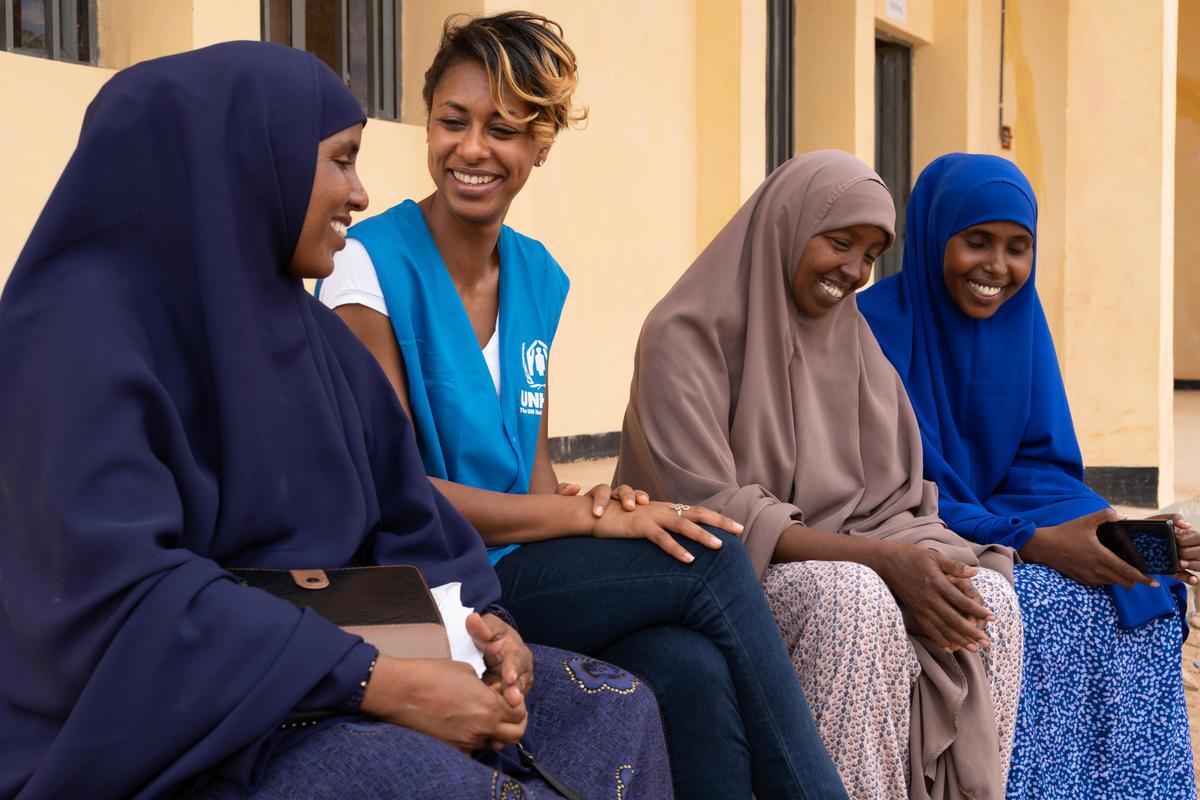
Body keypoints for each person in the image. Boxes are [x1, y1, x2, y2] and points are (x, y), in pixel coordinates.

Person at [0, 41, 673, 800]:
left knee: (613, 712)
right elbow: (126, 595)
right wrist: (380, 684)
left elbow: (412, 516)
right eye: (341, 160)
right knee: (421, 782)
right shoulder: (74, 339)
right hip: (192, 712)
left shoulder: (306, 335)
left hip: (350, 660)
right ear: (249, 164)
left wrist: (487, 627)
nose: (359, 193)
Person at [319, 12, 847, 799]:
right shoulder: (367, 267)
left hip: (513, 568)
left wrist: (595, 501)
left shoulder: (536, 276)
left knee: (687, 665)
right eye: (451, 121)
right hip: (430, 583)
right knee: (712, 556)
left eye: (503, 128)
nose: (470, 149)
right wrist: (593, 522)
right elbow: (404, 493)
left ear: (540, 145)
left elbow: (528, 471)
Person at [615, 150, 1024, 800]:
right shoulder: (682, 336)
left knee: (990, 601)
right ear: (785, 224)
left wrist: (917, 560)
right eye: (839, 241)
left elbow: (897, 503)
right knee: (850, 602)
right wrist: (882, 562)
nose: (854, 271)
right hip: (714, 577)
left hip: (841, 561)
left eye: (870, 254)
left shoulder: (857, 348)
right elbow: (710, 509)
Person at [859, 152, 1198, 798]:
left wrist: (1115, 533)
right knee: (1029, 603)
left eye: (1019, 248)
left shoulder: (1022, 323)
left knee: (1140, 597)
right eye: (977, 241)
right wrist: (1032, 541)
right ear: (934, 237)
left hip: (993, 525)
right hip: (912, 533)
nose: (998, 268)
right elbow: (892, 492)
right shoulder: (873, 330)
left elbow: (1040, 467)